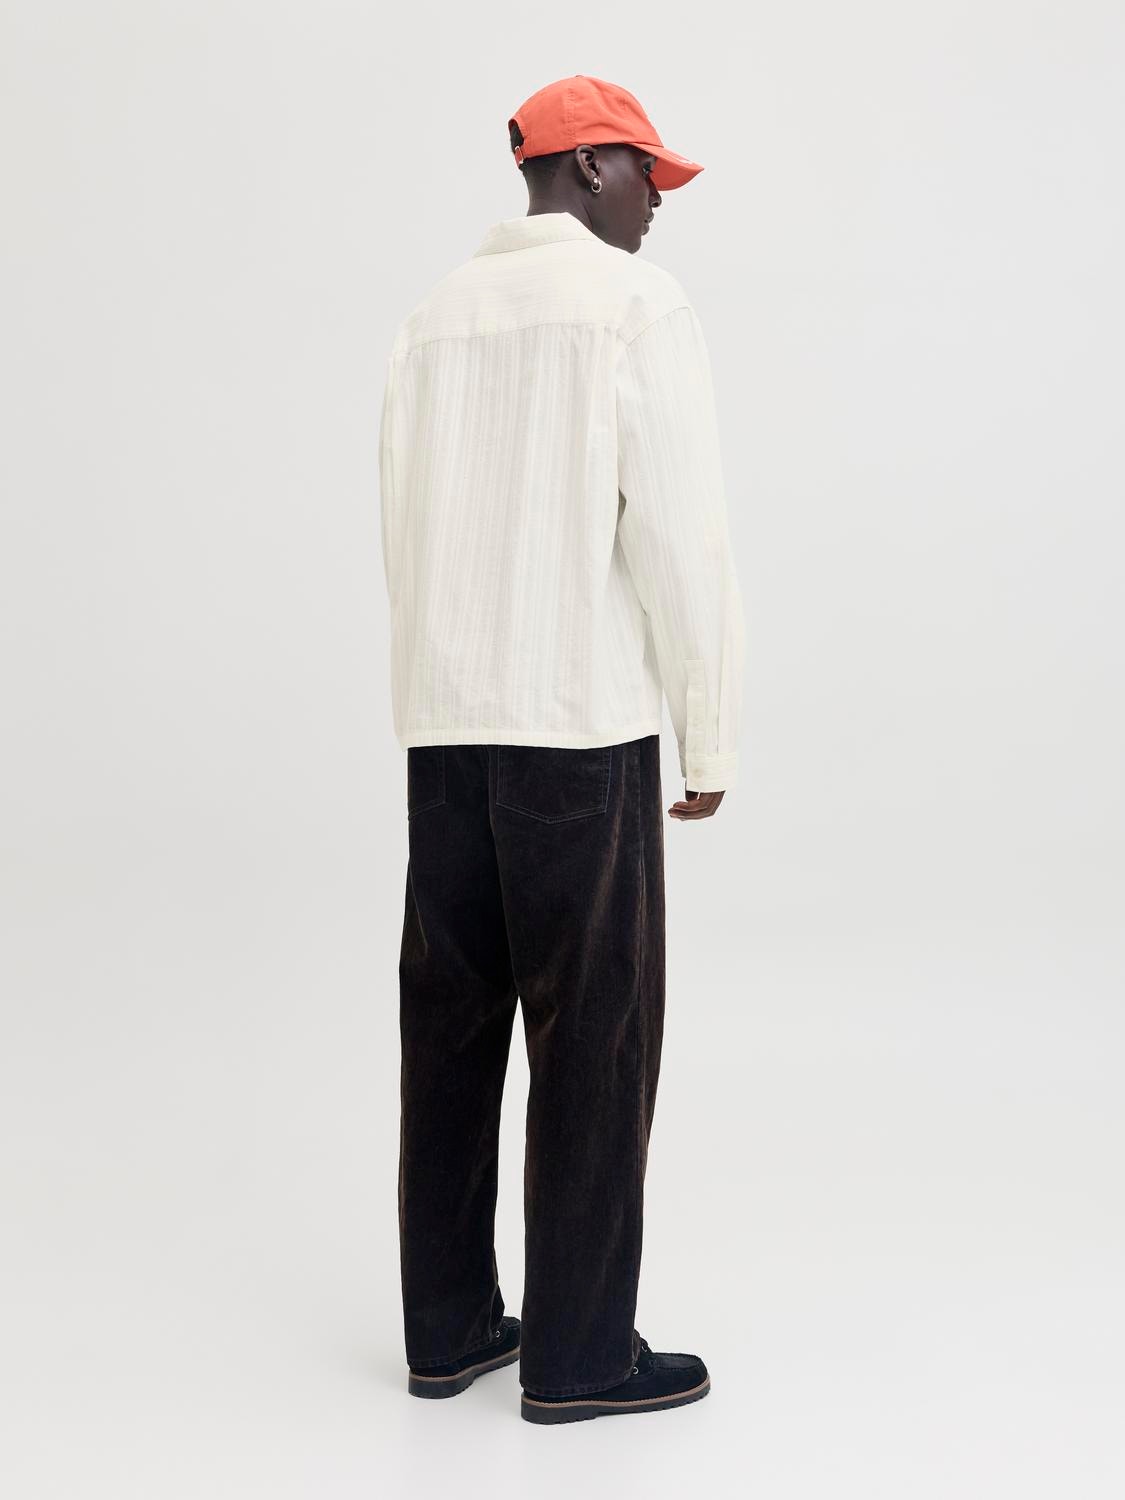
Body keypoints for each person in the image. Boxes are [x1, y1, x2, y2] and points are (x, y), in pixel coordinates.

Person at [378, 73, 745, 1424]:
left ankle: (448, 1329)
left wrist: (431, 689)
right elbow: (680, 534)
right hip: (578, 727)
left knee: (450, 1028)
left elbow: (402, 522)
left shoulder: (435, 316)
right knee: (593, 1036)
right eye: (647, 171)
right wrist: (707, 724)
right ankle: (580, 1354)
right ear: (588, 165)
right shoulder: (632, 306)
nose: (658, 200)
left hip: (446, 731)